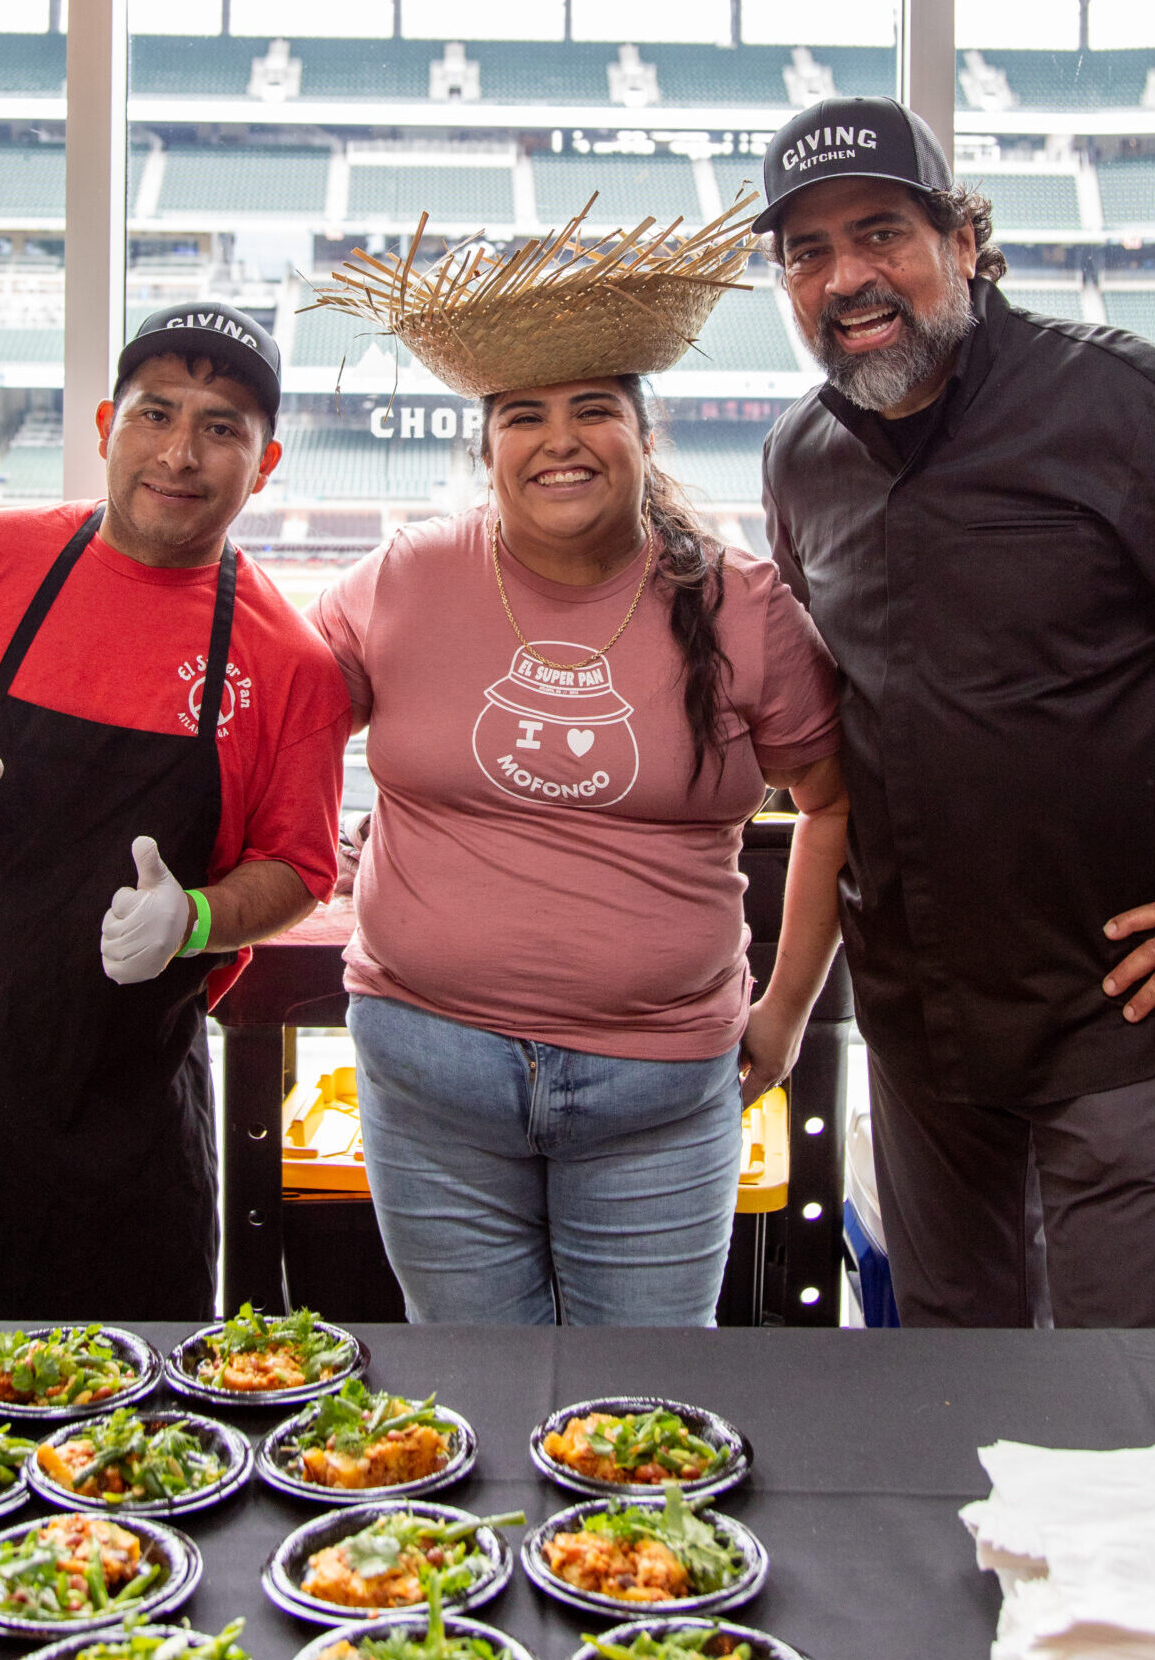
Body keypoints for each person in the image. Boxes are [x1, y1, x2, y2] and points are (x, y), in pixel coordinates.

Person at [756, 96, 1155, 1328]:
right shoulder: (800, 459)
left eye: (881, 232)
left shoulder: (1126, 406)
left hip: (1126, 1022)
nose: (847, 277)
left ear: (966, 241)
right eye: (807, 252)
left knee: (1116, 1415)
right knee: (948, 1385)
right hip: (921, 1026)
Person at [303, 207, 849, 1326]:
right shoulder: (407, 577)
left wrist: (789, 1005)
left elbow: (838, 803)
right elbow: (280, 713)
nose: (559, 440)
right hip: (429, 1071)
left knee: (642, 1417)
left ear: (644, 438)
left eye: (593, 409)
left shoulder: (741, 603)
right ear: (485, 445)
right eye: (522, 416)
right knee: (470, 1400)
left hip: (658, 1087)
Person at [0, 304, 351, 1320]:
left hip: (125, 1116)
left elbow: (298, 869)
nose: (180, 453)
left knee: (123, 1436)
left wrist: (191, 919)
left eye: (223, 426)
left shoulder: (291, 664)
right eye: (155, 413)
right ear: (105, 426)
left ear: (264, 463)